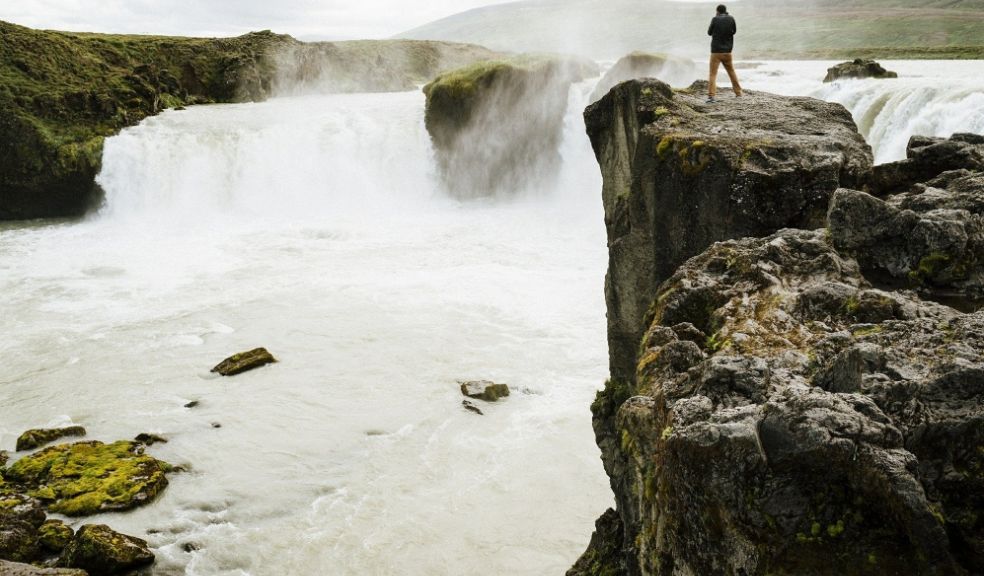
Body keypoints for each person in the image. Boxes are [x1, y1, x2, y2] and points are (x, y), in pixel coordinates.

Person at [706, 4, 742, 103]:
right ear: (725, 11)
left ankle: (711, 96)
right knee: (731, 72)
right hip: (727, 52)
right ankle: (738, 93)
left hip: (716, 52)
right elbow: (734, 31)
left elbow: (709, 32)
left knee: (712, 74)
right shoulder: (731, 19)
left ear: (717, 11)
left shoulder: (715, 19)